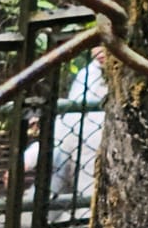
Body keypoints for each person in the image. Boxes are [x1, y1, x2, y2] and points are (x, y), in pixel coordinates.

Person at [24, 45, 107, 208]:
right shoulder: (88, 73)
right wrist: (27, 159)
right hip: (75, 143)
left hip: (94, 150)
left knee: (87, 201)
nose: (98, 51)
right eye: (96, 44)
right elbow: (68, 123)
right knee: (45, 197)